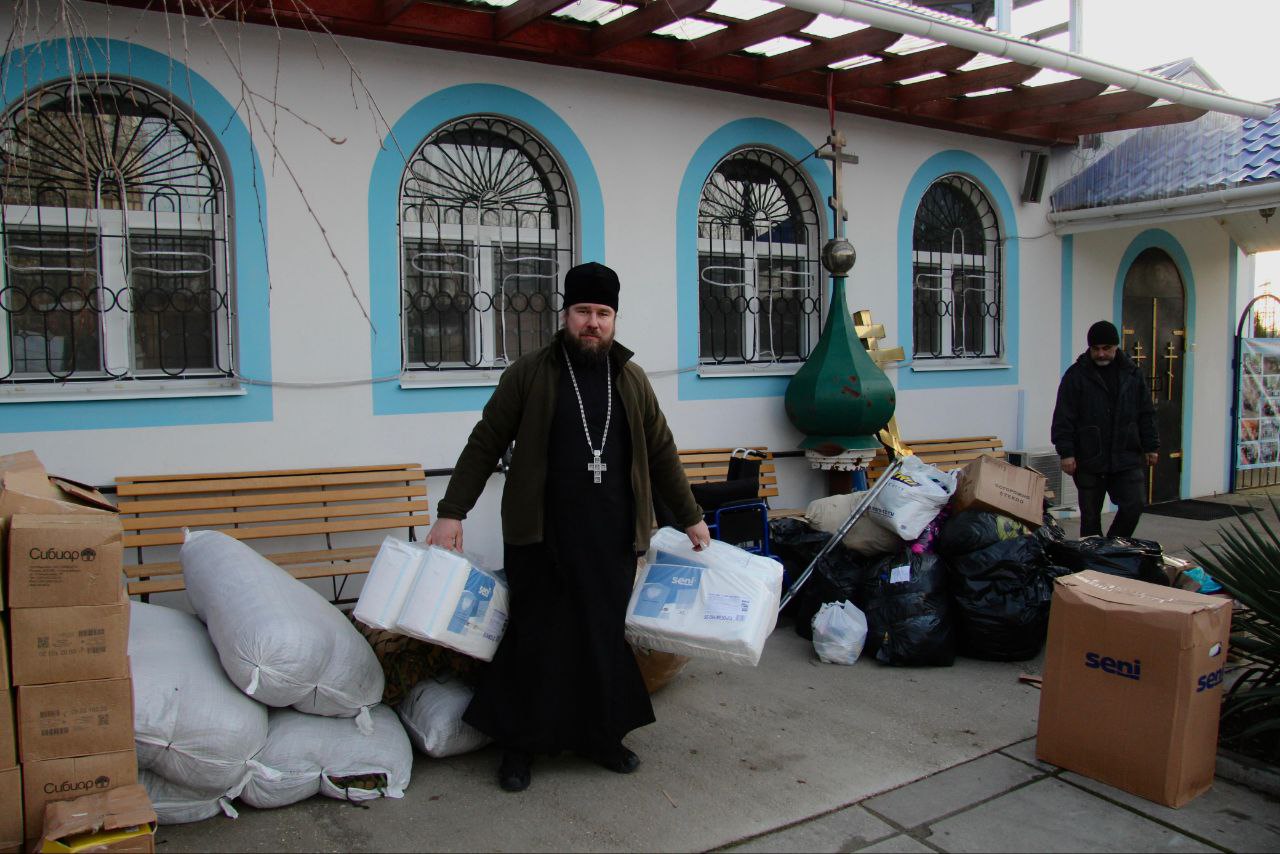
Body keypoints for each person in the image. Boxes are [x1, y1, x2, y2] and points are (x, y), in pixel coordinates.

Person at [425, 261, 710, 793]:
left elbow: (661, 449)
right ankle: (520, 747)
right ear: (565, 314)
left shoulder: (631, 379)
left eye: (603, 313)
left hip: (612, 538)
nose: (593, 323)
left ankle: (600, 737)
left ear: (614, 320)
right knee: (537, 641)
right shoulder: (529, 373)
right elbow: (485, 441)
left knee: (601, 641)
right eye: (584, 311)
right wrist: (451, 512)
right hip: (541, 537)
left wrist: (690, 515)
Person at [1051, 320, 1159, 538]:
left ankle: (1112, 548)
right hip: (1089, 457)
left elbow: (1146, 412)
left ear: (1116, 347)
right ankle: (1092, 565)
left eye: (1106, 349)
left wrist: (1151, 446)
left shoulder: (1132, 374)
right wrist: (1067, 452)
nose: (1101, 354)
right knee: (1090, 519)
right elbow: (1064, 416)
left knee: (1134, 505)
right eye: (1096, 349)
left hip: (1126, 455)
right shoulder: (1076, 375)